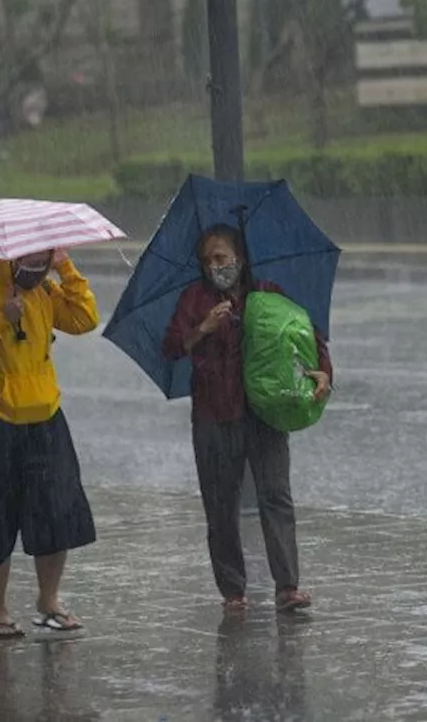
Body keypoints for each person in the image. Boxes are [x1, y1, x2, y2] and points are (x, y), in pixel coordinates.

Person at [162, 224, 332, 612]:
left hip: (265, 413)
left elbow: (306, 336)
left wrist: (324, 371)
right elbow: (172, 346)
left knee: (275, 495)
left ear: (240, 257)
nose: (214, 266)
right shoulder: (195, 299)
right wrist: (203, 328)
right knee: (220, 505)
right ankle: (233, 591)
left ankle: (288, 586)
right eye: (206, 260)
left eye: (220, 257)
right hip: (214, 415)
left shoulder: (268, 295)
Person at [0, 248, 99, 640]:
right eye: (29, 259)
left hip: (45, 417)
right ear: (8, 255)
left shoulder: (46, 290)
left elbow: (84, 318)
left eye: (44, 259)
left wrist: (66, 268)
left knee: (56, 515)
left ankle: (49, 602)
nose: (36, 266)